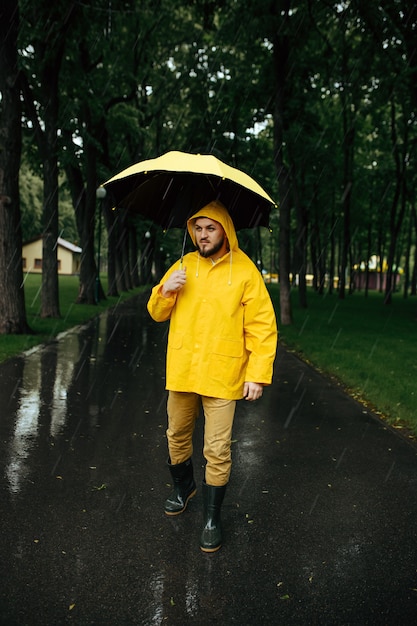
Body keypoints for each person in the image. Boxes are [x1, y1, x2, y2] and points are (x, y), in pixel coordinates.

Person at [147, 200, 277, 553]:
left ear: (225, 230)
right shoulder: (183, 265)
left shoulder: (246, 272)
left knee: (217, 449)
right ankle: (182, 488)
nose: (203, 235)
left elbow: (262, 328)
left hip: (223, 373)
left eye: (211, 228)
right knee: (176, 435)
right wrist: (165, 289)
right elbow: (157, 313)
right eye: (198, 228)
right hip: (183, 371)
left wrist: (257, 374)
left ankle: (211, 517)